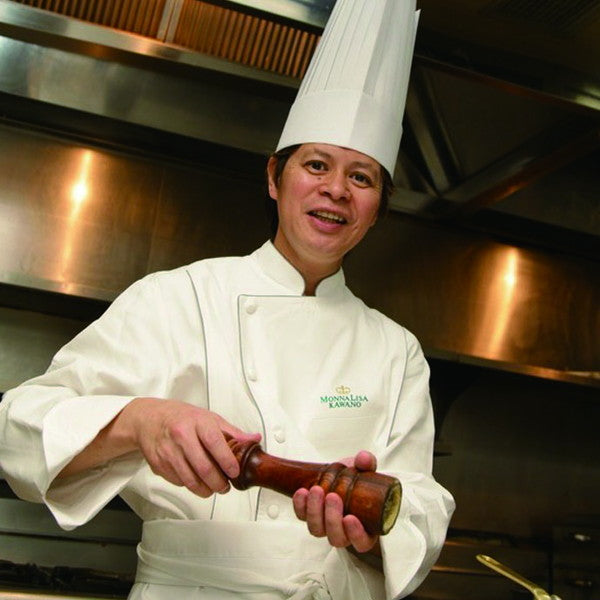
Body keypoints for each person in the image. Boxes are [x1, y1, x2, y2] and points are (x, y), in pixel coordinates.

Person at [0, 1, 454, 598]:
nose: (336, 190)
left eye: (362, 177)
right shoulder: (177, 299)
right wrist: (139, 420)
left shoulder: (397, 350)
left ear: (376, 210)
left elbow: (419, 505)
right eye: (317, 164)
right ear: (274, 178)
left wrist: (371, 536)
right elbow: (18, 429)